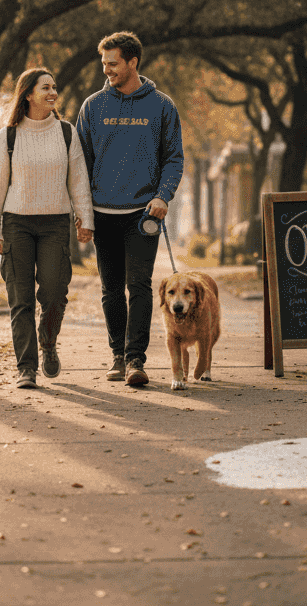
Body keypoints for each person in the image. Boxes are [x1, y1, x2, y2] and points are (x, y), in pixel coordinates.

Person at [75, 31, 184, 387]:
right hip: (103, 213)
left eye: (113, 63)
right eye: (103, 63)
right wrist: (82, 212)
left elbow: (173, 158)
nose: (106, 70)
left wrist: (162, 196)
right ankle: (118, 357)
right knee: (110, 289)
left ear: (132, 62)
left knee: (138, 286)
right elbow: (80, 164)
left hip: (143, 215)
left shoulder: (162, 106)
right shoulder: (93, 106)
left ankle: (137, 359)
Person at [0, 68, 94, 389]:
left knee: (55, 293)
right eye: (45, 87)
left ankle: (48, 341)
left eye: (54, 88)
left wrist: (85, 220)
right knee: (21, 299)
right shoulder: (8, 136)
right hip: (16, 223)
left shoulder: (66, 133)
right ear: (28, 94)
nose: (53, 93)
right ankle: (26, 368)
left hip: (55, 223)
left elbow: (78, 181)